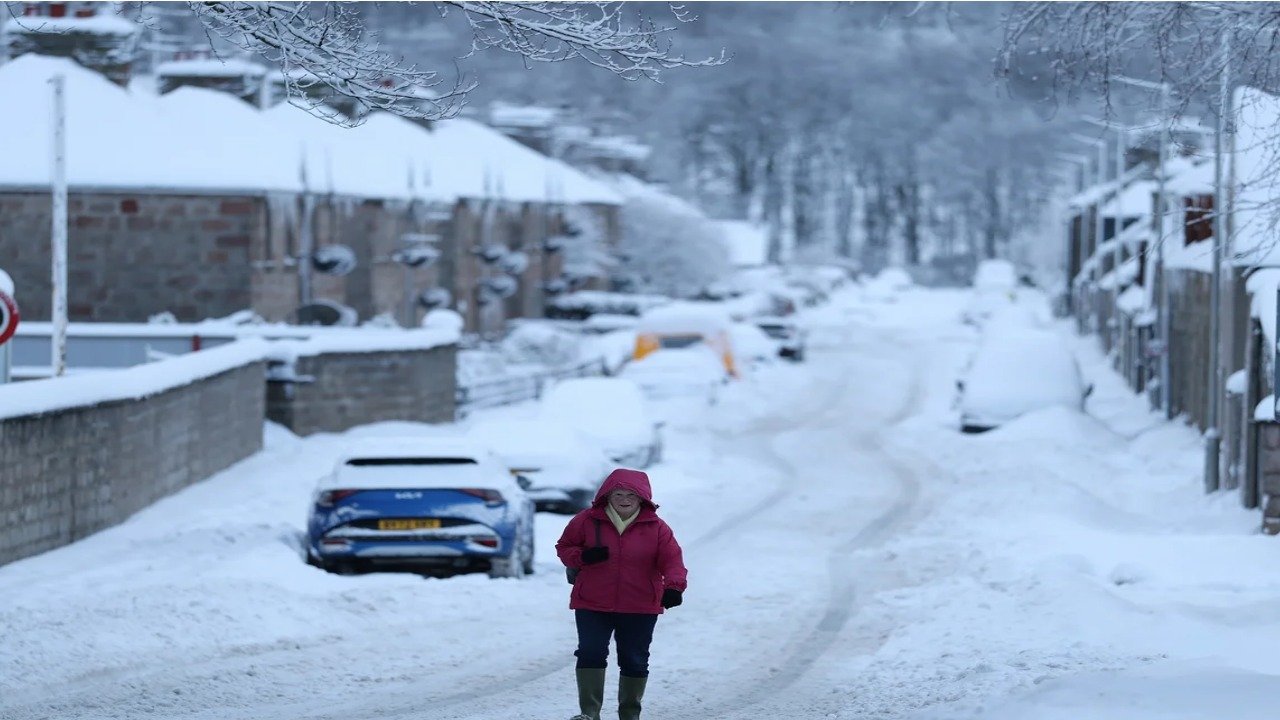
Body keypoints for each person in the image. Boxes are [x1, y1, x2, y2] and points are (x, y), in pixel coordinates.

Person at [556, 468, 688, 720]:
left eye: (631, 494)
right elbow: (564, 547)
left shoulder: (657, 528)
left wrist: (674, 587)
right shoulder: (586, 521)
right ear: (607, 495)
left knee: (634, 660)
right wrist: (582, 557)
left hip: (639, 605)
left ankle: (629, 714)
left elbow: (673, 561)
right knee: (590, 652)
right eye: (618, 493)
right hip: (592, 602)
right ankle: (589, 713)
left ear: (642, 498)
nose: (624, 499)